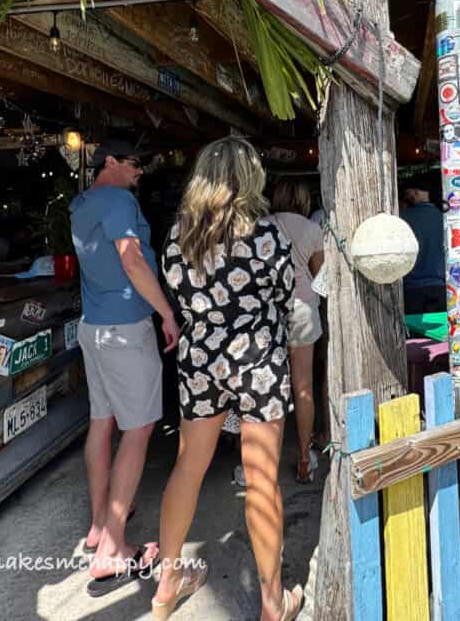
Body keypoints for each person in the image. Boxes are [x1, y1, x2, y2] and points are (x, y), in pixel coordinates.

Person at [155, 137, 302, 621]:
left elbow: (175, 289)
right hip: (257, 355)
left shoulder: (179, 237)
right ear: (248, 177)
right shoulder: (266, 235)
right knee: (262, 479)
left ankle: (166, 585)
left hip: (200, 358)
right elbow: (285, 294)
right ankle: (272, 602)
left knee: (188, 467)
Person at [70, 140, 178, 595]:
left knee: (102, 422)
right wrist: (167, 313)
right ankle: (112, 550)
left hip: (93, 327)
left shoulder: (80, 203)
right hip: (125, 329)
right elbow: (131, 259)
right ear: (110, 162)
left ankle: (99, 525)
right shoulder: (118, 199)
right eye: (135, 163)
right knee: (138, 430)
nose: (141, 171)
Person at [266, 178, 324, 483]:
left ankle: (264, 464)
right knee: (303, 387)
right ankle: (304, 458)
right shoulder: (311, 229)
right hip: (302, 310)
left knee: (268, 387)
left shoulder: (260, 225)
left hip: (267, 312)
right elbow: (320, 275)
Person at [400, 178, 445, 314]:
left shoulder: (402, 218)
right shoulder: (444, 217)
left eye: (407, 194)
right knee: (439, 333)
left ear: (415, 192)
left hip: (411, 288)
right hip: (440, 287)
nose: (407, 197)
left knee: (415, 333)